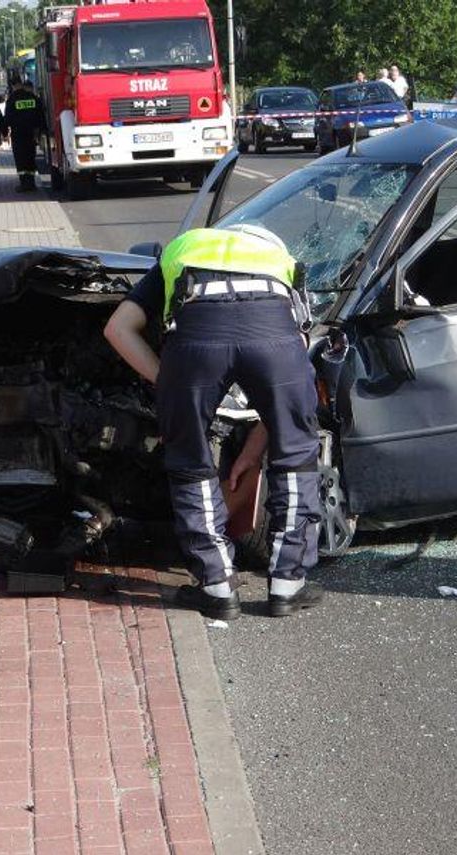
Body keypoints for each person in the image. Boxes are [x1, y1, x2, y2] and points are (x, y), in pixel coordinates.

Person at [104, 224, 323, 620]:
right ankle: (288, 586)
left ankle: (217, 589)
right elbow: (297, 358)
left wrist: (167, 380)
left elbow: (117, 329)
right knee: (297, 456)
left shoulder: (183, 249)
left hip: (195, 347)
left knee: (190, 461)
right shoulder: (280, 261)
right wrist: (259, 447)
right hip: (274, 337)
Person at [4, 78, 47, 192]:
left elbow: (7, 118)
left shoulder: (12, 99)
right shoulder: (32, 97)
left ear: (13, 86)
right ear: (21, 84)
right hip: (31, 133)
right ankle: (31, 183)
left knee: (20, 158)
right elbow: (41, 114)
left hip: (18, 134)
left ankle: (24, 183)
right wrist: (41, 131)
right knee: (30, 157)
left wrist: (4, 132)